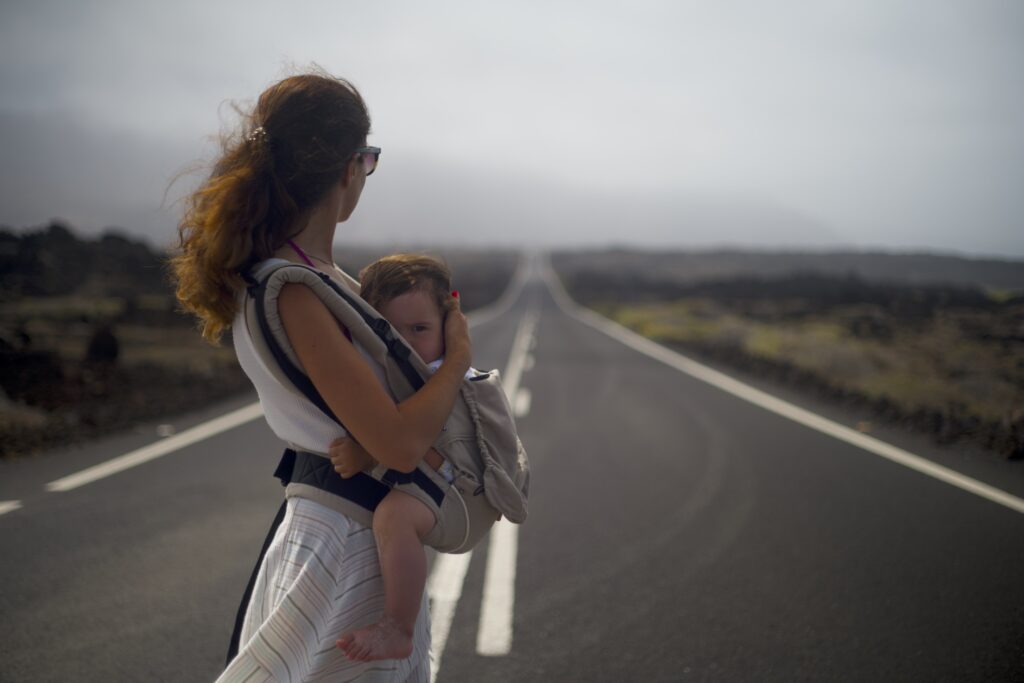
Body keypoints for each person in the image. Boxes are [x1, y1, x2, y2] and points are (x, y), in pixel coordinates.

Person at [171, 70, 471, 683]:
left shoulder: (316, 278)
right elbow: (398, 444)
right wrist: (459, 363)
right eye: (368, 159)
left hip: (344, 531)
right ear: (348, 169)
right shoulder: (295, 289)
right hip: (346, 540)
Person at [329, 254, 468, 662]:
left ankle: (398, 627)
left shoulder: (440, 373)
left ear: (448, 326)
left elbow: (417, 435)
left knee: (393, 517)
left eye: (420, 329)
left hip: (457, 488)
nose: (406, 342)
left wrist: (366, 452)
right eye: (392, 331)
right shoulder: (408, 369)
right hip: (439, 484)